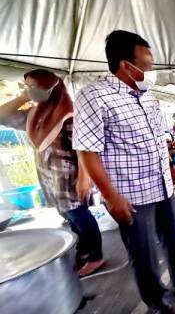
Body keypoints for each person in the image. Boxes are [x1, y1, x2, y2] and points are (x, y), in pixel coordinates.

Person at [73, 30, 175, 314]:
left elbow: (155, 138)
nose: (150, 71)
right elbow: (88, 151)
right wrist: (111, 197)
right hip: (131, 193)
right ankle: (156, 302)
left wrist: (170, 166)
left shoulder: (147, 95)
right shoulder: (94, 96)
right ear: (126, 65)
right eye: (146, 64)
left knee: (174, 238)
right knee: (143, 252)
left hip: (162, 183)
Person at [0, 70, 105, 277]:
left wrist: (84, 179)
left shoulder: (69, 114)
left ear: (51, 87)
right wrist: (22, 97)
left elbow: (83, 148)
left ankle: (96, 256)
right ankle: (83, 249)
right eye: (27, 87)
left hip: (71, 177)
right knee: (66, 215)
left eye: (34, 86)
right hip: (50, 178)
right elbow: (2, 116)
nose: (30, 91)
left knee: (79, 214)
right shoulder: (36, 114)